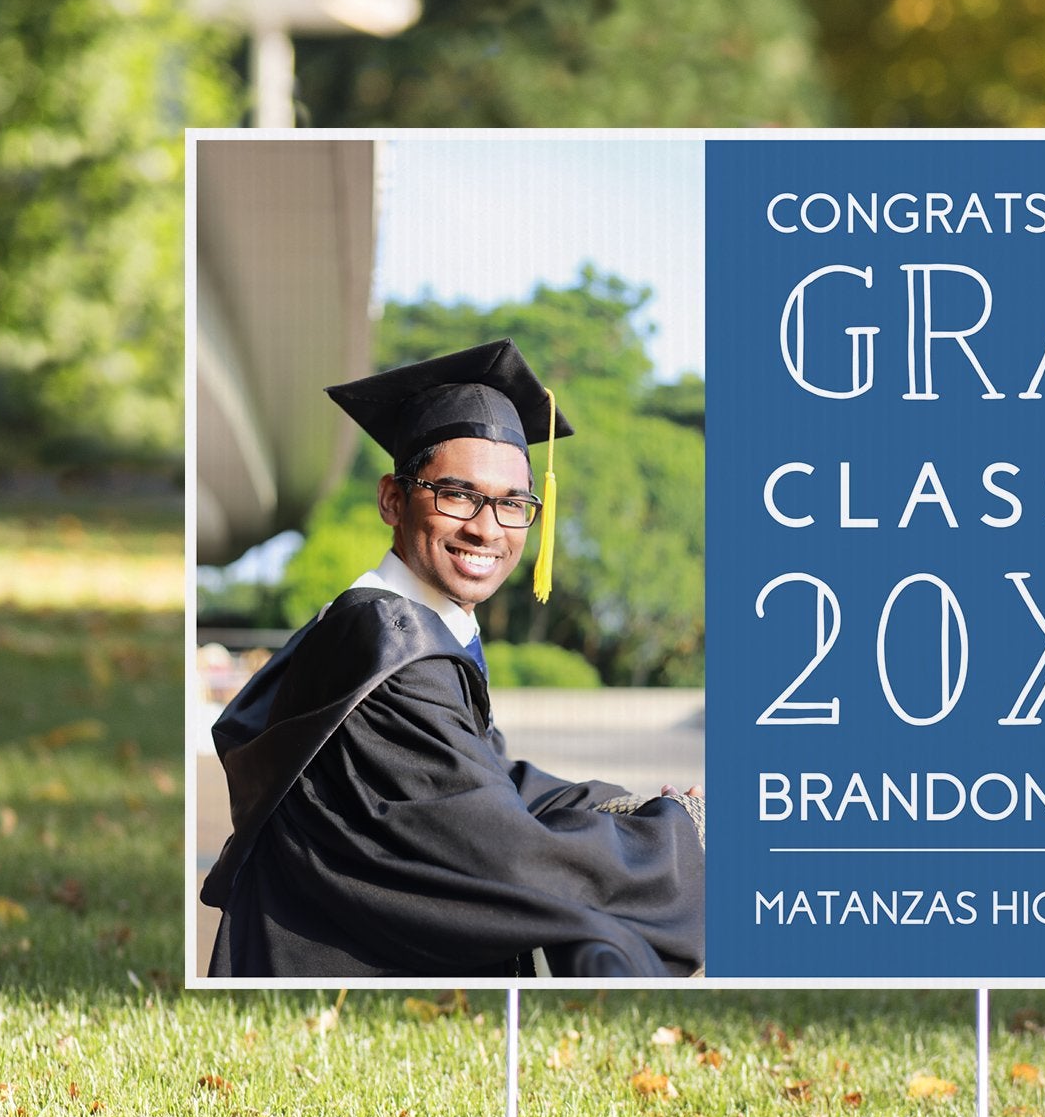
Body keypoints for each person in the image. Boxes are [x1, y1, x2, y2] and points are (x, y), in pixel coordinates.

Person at [201, 339, 704, 979]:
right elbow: (504, 853)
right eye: (456, 494)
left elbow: (488, 776)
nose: (487, 529)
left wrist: (623, 806)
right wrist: (676, 843)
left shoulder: (410, 629)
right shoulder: (389, 652)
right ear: (391, 500)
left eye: (512, 503)